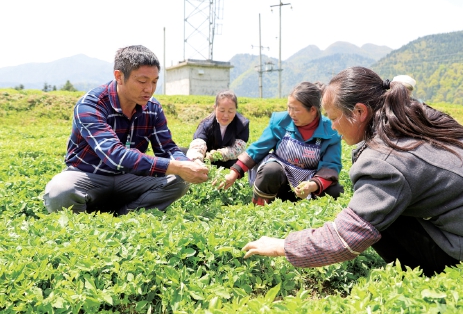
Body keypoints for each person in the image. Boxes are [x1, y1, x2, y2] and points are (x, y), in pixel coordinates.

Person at [242, 66, 463, 276]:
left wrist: (284, 246)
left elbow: (346, 236)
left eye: (333, 118)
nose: (331, 127)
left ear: (359, 112)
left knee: (377, 219)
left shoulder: (383, 161)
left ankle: (427, 278)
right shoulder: (420, 114)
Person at [43, 45, 209, 215]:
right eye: (142, 81)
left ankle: (124, 216)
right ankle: (83, 221)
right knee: (59, 192)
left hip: (129, 178)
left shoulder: (153, 108)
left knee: (179, 180)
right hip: (89, 175)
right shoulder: (91, 105)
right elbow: (115, 155)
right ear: (119, 76)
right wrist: (177, 166)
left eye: (154, 81)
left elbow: (167, 148)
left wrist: (187, 165)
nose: (149, 89)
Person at [219, 81, 343, 205]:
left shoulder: (330, 131)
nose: (290, 113)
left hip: (308, 185)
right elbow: (257, 149)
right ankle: (260, 209)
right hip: (279, 181)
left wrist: (312, 185)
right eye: (289, 107)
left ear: (312, 110)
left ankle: (312, 212)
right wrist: (234, 173)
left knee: (334, 191)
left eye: (296, 110)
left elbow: (330, 166)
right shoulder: (280, 121)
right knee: (271, 170)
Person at [185, 90, 249, 169]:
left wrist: (219, 154)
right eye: (222, 110)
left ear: (236, 109)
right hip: (206, 160)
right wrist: (197, 161)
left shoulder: (242, 124)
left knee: (237, 163)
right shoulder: (206, 124)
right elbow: (198, 144)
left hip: (229, 161)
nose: (225, 115)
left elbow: (238, 149)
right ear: (215, 108)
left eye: (230, 111)